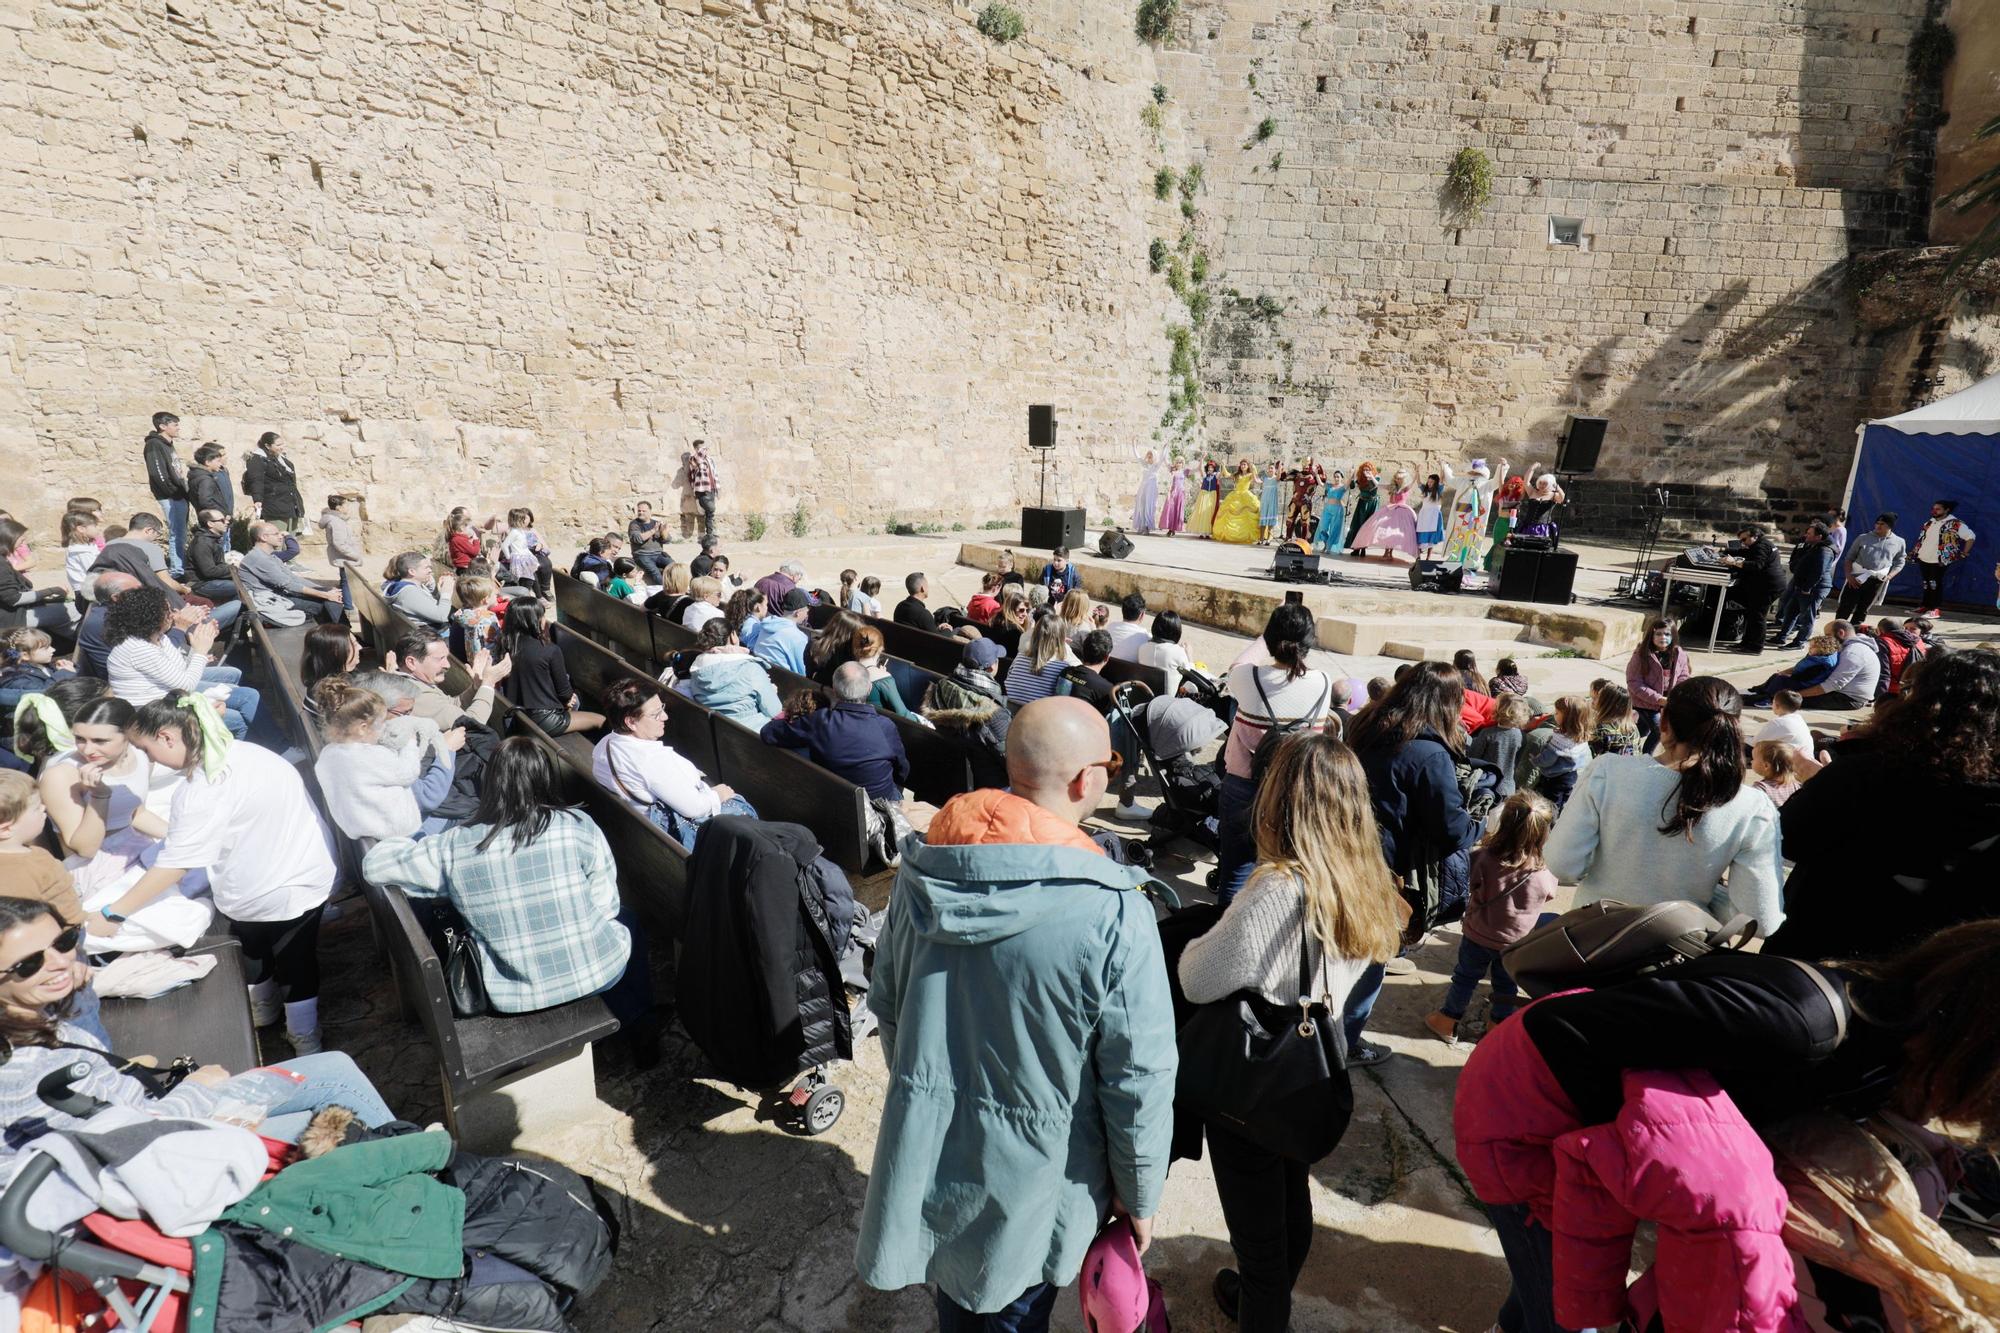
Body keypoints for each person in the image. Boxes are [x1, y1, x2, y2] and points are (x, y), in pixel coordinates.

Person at [856, 697, 1175, 1329]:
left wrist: (931, 1096)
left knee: (964, 1300)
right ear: (1087, 779)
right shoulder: (1115, 910)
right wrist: (1139, 1195)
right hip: (1043, 1169)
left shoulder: (927, 866)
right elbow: (1138, 1078)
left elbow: (886, 1001)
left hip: (937, 1144)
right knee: (1011, 1303)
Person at [1177, 732, 1403, 1330]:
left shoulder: (1278, 887)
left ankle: (1262, 1305)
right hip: (1311, 1071)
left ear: (1282, 802)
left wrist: (1200, 938)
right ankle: (1260, 1292)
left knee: (1259, 1246)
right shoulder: (1366, 879)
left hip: (1254, 1077)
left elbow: (1199, 979)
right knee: (1289, 1191)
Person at [0, 896, 402, 1170]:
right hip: (166, 1160)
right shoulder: (21, 1069)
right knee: (341, 1124)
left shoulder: (34, 1015)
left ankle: (414, 1162)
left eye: (65, 942)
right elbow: (129, 1143)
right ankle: (418, 1174)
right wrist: (199, 1088)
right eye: (29, 964)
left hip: (164, 1119)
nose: (58, 963)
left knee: (335, 1067)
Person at [364, 738, 657, 1059]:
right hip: (597, 974)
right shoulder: (577, 825)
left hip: (511, 993)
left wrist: (401, 838)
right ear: (544, 778)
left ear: (491, 782)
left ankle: (636, 1019)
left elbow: (374, 866)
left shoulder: (455, 844)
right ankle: (641, 1023)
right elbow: (606, 906)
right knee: (627, 922)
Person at [110, 697, 339, 1050]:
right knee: (297, 956)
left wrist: (115, 911)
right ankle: (302, 1031)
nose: (148, 759)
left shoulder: (201, 787)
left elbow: (176, 864)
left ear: (168, 737)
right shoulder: (251, 752)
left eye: (146, 749)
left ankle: (275, 1015)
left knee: (256, 949)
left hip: (256, 888)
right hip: (307, 868)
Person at [1764, 647, 2000, 961]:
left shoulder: (1863, 775)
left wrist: (1820, 781)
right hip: (1927, 972)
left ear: (1922, 705)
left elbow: (1787, 838)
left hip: (1820, 954)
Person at [1544, 676, 1783, 932]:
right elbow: (1761, 920)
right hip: (1677, 954)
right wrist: (1706, 895)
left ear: (1664, 721)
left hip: (1594, 942)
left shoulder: (1608, 772)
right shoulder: (1753, 808)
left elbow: (1562, 865)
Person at [1346, 662, 1479, 1063]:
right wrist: (1480, 825)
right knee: (1371, 955)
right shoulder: (1427, 753)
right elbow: (1451, 829)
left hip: (1346, 845)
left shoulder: (1365, 725)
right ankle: (1346, 1042)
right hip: (1384, 868)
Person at [1216, 603, 1336, 903]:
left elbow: (1237, 666)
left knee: (1235, 871)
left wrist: (1264, 638)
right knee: (1284, 872)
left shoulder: (1248, 678)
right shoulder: (1323, 682)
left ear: (1271, 639)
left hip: (1243, 785)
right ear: (1308, 644)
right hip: (1294, 789)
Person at [1424, 790, 1557, 1043]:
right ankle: (1496, 1028)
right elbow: (1549, 894)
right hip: (1514, 944)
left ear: (1504, 824)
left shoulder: (1483, 858)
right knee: (1506, 986)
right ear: (1543, 833)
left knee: (1464, 978)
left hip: (1477, 935)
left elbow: (1468, 882)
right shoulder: (1542, 872)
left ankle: (1448, 1021)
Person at [592, 677, 753, 849]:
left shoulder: (606, 743)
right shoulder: (650, 760)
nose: (665, 716)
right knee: (743, 810)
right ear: (631, 722)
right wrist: (718, 794)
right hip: (676, 836)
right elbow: (694, 809)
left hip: (638, 829)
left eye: (662, 708)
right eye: (655, 714)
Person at [311, 677, 460, 841]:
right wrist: (409, 740)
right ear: (362, 728)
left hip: (360, 831)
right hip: (402, 836)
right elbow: (411, 775)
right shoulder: (373, 755)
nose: (384, 727)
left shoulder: (328, 754)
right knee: (468, 813)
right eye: (381, 722)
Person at [105, 586, 261, 740]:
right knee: (241, 714)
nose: (174, 615)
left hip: (168, 699)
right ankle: (271, 749)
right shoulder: (138, 649)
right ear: (151, 616)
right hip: (153, 716)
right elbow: (186, 685)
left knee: (240, 688)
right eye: (168, 611)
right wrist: (200, 651)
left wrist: (197, 644)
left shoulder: (157, 637)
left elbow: (180, 668)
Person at [761, 663, 909, 801]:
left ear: (834, 690)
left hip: (835, 803)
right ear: (869, 689)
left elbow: (768, 732)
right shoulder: (886, 726)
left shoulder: (819, 721)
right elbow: (902, 771)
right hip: (881, 805)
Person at [497, 598, 603, 736]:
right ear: (534, 620)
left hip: (516, 715)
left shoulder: (505, 645)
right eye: (542, 616)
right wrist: (568, 699)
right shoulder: (549, 650)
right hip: (544, 719)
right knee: (601, 720)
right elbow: (564, 693)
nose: (544, 619)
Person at [0, 773, 84, 921]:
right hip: (46, 939)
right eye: (37, 807)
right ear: (6, 829)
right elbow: (69, 913)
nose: (44, 808)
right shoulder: (41, 862)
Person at [393, 626, 509, 730]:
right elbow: (471, 725)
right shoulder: (416, 694)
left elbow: (451, 705)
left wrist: (476, 687)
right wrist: (488, 684)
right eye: (440, 659)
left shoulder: (414, 681)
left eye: (446, 658)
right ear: (411, 663)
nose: (447, 665)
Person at [679, 619, 783, 727]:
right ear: (733, 636)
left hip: (717, 730)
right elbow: (774, 711)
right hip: (754, 732)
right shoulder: (750, 668)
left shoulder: (697, 669)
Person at [240, 521, 345, 624]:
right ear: (264, 537)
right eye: (276, 534)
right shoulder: (258, 558)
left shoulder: (270, 556)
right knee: (328, 603)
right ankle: (345, 636)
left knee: (332, 596)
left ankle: (344, 636)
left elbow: (293, 578)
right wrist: (325, 595)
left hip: (280, 595)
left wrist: (324, 589)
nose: (281, 536)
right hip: (272, 601)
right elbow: (288, 585)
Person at [1, 517, 83, 638]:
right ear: (9, 539)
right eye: (21, 540)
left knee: (64, 618)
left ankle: (75, 643)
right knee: (74, 610)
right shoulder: (1, 565)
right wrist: (50, 591)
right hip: (14, 619)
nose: (23, 544)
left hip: (18, 613)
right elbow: (15, 599)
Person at [88, 511, 188, 606]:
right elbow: (166, 582)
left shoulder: (109, 545)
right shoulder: (151, 548)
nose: (157, 538)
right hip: (143, 599)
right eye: (158, 533)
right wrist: (184, 589)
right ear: (149, 530)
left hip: (111, 596)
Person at [1624, 618, 1689, 753]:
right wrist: (1658, 699)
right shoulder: (1641, 654)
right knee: (1659, 730)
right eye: (1658, 634)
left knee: (1642, 730)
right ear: (1651, 635)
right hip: (1644, 702)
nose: (1662, 637)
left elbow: (1683, 677)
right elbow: (1634, 682)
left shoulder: (1679, 654)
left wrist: (1677, 696)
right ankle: (1645, 757)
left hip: (1665, 701)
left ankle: (1624, 742)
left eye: (1667, 634)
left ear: (1674, 636)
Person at [1773, 519, 1837, 650]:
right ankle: (1781, 637)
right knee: (1790, 611)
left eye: (1809, 534)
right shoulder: (1813, 546)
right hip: (1802, 585)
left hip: (1813, 589)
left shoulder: (1824, 550)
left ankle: (1799, 642)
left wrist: (1807, 587)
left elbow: (1818, 572)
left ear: (1819, 537)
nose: (1806, 536)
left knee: (1807, 616)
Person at [1722, 525, 1787, 654]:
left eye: (1744, 540)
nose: (1742, 543)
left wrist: (1733, 562)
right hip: (1766, 585)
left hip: (1768, 586)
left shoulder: (1761, 546)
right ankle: (1746, 642)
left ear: (1755, 537)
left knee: (1758, 616)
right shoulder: (1760, 544)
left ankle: (1756, 647)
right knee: (1751, 614)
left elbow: (1757, 564)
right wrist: (1725, 550)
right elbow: (1746, 553)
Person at [1834, 511, 1906, 624]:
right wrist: (1849, 576)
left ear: (1890, 526)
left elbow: (1900, 562)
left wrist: (1889, 576)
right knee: (1845, 607)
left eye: (1882, 524)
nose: (1878, 526)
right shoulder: (1863, 538)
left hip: (1876, 580)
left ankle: (1855, 634)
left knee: (1863, 610)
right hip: (1856, 578)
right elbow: (1849, 558)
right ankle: (1835, 632)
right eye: (1877, 523)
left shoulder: (1899, 542)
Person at [141, 411, 189, 576]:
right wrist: (172, 491)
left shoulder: (168, 444)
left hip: (179, 495)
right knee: (176, 532)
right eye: (174, 424)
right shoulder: (154, 445)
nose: (178, 428)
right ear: (162, 426)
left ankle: (180, 566)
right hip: (170, 496)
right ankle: (177, 570)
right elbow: (157, 473)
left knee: (181, 532)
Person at [1911, 498, 1976, 617]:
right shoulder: (1930, 522)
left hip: (1939, 559)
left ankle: (1934, 609)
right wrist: (1916, 552)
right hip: (1924, 557)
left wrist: (1964, 552)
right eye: (1933, 509)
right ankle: (1925, 605)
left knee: (1935, 583)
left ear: (1946, 510)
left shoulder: (1955, 523)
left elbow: (1970, 537)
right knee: (1926, 583)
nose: (1934, 511)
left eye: (1938, 509)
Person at [1795, 619, 1881, 709]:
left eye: (1828, 635)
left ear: (1841, 633)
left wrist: (1796, 694)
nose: (1826, 639)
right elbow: (1813, 663)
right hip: (1839, 692)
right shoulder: (1847, 646)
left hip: (1848, 698)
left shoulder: (1854, 652)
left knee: (1787, 700)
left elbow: (1833, 684)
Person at [183, 508, 244, 629]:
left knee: (244, 585)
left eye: (226, 519)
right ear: (210, 524)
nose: (226, 522)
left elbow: (218, 566)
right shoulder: (203, 542)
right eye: (222, 520)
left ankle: (236, 623)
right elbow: (209, 571)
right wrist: (234, 569)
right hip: (200, 584)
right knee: (242, 589)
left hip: (210, 581)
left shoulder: (212, 540)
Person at [1004, 614, 1075, 707]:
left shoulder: (1020, 656)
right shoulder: (1063, 668)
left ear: (1035, 633)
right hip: (1038, 717)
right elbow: (1062, 701)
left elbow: (1009, 679)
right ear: (1061, 638)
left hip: (1008, 710)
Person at [1468, 694, 1531, 799]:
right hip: (1508, 787)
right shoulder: (1522, 736)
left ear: (1498, 710)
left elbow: (1474, 757)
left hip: (1486, 784)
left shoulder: (1488, 733)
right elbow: (1518, 761)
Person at [242, 431, 305, 532]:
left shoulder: (281, 459)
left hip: (291, 505)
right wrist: (257, 499)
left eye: (282, 444)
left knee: (292, 541)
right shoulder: (257, 459)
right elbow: (256, 480)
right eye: (278, 445)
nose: (282, 447)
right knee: (277, 540)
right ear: (267, 445)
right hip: (275, 507)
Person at [852, 625, 917, 719]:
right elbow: (903, 714)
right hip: (876, 725)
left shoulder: (845, 670)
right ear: (880, 648)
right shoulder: (884, 679)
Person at [381, 550, 453, 628]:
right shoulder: (408, 593)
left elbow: (429, 605)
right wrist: (446, 592)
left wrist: (440, 590)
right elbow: (441, 616)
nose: (430, 570)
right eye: (426, 568)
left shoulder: (412, 586)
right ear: (412, 571)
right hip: (434, 634)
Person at [750, 588, 814, 675]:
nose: (808, 614)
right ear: (797, 613)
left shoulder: (766, 626)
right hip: (784, 682)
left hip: (760, 673)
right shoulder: (798, 638)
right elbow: (803, 672)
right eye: (808, 609)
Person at [1136, 611, 1195, 701]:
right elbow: (1190, 674)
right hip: (1167, 702)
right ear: (1176, 630)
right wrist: (1189, 655)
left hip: (1144, 697)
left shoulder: (1142, 648)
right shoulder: (1178, 652)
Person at [299, 621, 362, 698]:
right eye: (355, 644)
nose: (360, 647)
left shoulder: (319, 686)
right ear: (336, 652)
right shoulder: (336, 698)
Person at [186, 442, 236, 532]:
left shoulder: (203, 476)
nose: (220, 464)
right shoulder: (205, 479)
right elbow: (205, 500)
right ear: (208, 462)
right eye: (217, 461)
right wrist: (223, 513)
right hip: (214, 520)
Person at [683, 438, 720, 545]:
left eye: (704, 447)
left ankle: (709, 536)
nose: (703, 450)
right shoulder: (694, 459)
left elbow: (714, 474)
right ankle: (710, 535)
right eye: (700, 448)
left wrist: (718, 489)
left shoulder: (710, 459)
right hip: (701, 490)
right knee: (711, 509)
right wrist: (702, 450)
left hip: (711, 489)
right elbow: (698, 460)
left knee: (709, 513)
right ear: (695, 449)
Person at [1587, 681, 1638, 756]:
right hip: (1631, 767)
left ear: (1606, 703)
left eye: (1598, 697)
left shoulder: (1601, 730)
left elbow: (1592, 757)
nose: (1594, 700)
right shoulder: (1633, 728)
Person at [1749, 739, 1802, 808]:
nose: (1751, 761)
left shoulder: (1761, 789)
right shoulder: (1796, 786)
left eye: (1753, 758)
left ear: (1766, 766)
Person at [627, 501, 670, 584]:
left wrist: (663, 532)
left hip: (658, 554)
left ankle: (678, 587)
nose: (640, 513)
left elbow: (667, 540)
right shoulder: (634, 524)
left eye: (643, 511)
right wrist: (653, 530)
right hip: (642, 555)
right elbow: (637, 539)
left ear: (650, 511)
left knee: (673, 566)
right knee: (655, 572)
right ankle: (664, 590)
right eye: (639, 511)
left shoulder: (656, 523)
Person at [1310, 468, 1347, 554]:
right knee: (1323, 527)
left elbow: (1348, 483)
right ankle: (1326, 544)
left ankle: (1329, 547)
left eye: (1338, 477)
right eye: (1335, 477)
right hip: (1327, 509)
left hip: (1337, 509)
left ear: (1341, 478)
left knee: (1334, 529)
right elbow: (1320, 484)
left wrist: (1352, 475)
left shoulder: (1342, 487)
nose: (1336, 478)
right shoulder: (1330, 485)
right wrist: (1316, 474)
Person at [1103, 592, 1149, 661]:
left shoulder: (1110, 627)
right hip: (1130, 671)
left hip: (1106, 670)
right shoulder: (1145, 636)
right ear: (1141, 615)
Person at [1131, 451, 1161, 534]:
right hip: (1143, 488)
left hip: (1151, 489)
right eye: (1149, 454)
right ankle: (1142, 526)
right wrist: (1134, 444)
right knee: (1141, 506)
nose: (1150, 456)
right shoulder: (1145, 464)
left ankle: (1147, 527)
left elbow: (1162, 458)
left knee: (1149, 507)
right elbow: (1137, 456)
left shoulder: (1156, 466)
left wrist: (1165, 447)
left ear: (1154, 456)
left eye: (1151, 454)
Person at [1190, 459, 1221, 538]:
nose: (1210, 469)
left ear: (1214, 469)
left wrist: (1223, 464)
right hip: (1204, 495)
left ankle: (1208, 533)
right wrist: (1202, 459)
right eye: (1209, 467)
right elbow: (1200, 468)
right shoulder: (1205, 476)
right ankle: (1202, 532)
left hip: (1212, 495)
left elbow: (1222, 473)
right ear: (1207, 468)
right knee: (1202, 513)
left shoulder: (1216, 476)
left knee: (1209, 512)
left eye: (1212, 468)